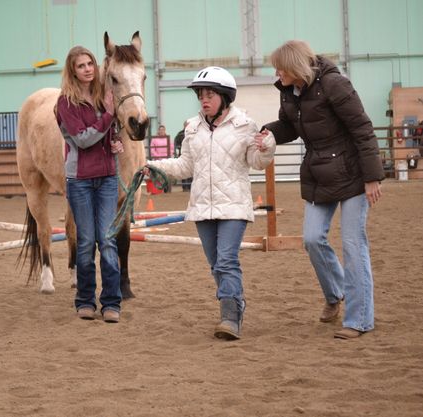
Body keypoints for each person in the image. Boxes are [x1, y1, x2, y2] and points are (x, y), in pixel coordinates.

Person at [259, 40, 384, 339]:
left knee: (354, 246)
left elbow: (362, 129)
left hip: (353, 175)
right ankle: (335, 294)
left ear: (295, 66)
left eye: (280, 67)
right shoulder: (289, 91)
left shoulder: (335, 85)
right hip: (319, 173)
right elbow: (291, 127)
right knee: (312, 239)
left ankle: (358, 320)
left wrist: (372, 177)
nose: (276, 72)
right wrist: (267, 131)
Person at [146, 66, 276, 340]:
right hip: (203, 206)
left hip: (234, 206)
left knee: (227, 261)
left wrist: (267, 149)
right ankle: (236, 302)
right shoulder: (192, 128)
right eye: (201, 95)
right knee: (216, 264)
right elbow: (185, 166)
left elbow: (255, 161)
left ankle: (230, 317)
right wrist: (154, 166)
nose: (204, 100)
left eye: (210, 95)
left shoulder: (245, 126)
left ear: (225, 97)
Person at [55, 45, 125, 323]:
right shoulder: (65, 103)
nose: (87, 69)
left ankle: (111, 302)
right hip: (80, 180)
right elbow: (82, 140)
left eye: (90, 64)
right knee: (85, 242)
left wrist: (115, 141)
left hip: (107, 177)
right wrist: (108, 116)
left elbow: (108, 134)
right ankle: (85, 300)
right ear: (72, 70)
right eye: (81, 65)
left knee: (107, 241)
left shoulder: (102, 97)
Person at [173, 120, 192, 190]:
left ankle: (190, 187)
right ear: (184, 126)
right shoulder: (180, 134)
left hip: (192, 155)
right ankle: (184, 187)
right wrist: (178, 147)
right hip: (182, 155)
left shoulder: (193, 133)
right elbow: (176, 143)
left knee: (191, 171)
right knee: (183, 170)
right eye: (186, 125)